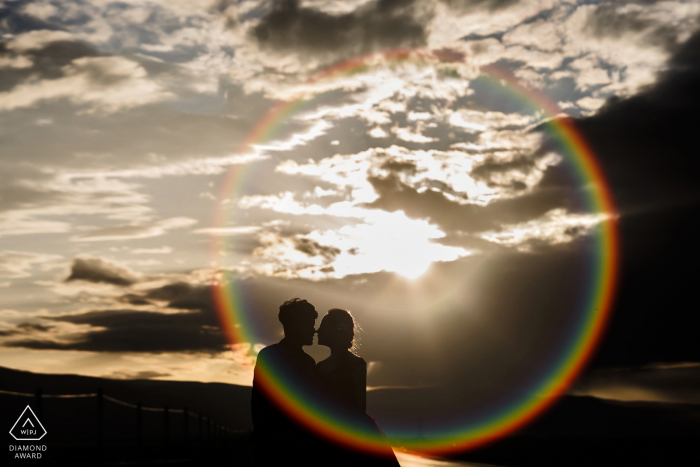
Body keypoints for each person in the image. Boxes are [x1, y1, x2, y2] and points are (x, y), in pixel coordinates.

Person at [315, 308, 401, 466]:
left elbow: (359, 409)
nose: (317, 330)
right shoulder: (320, 367)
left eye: (322, 326)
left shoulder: (356, 364)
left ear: (334, 332)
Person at [250, 298, 318, 466]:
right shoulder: (272, 357)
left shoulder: (270, 356)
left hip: (282, 446)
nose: (314, 330)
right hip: (282, 447)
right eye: (310, 324)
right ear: (296, 324)